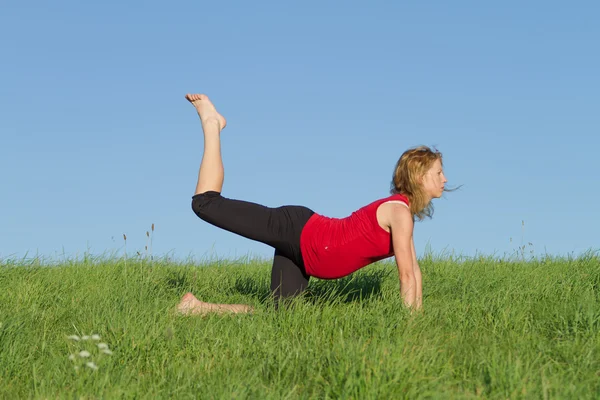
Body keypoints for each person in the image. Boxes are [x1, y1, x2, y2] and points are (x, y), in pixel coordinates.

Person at [176, 93, 449, 316]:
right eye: (438, 173)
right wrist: (409, 328)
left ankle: (196, 308)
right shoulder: (399, 212)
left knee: (281, 321)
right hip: (296, 229)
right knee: (205, 204)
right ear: (420, 176)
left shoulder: (404, 215)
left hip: (304, 255)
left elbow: (414, 271)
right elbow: (406, 278)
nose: (444, 179)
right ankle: (212, 124)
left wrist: (418, 323)